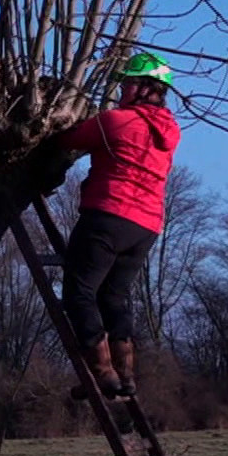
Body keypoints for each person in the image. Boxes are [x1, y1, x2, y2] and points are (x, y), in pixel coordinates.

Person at [54, 50, 182, 398]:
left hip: (109, 215)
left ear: (145, 87)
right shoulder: (170, 131)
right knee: (113, 297)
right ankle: (125, 374)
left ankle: (102, 372)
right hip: (147, 226)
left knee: (79, 293)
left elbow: (67, 140)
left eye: (127, 84)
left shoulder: (116, 121)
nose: (122, 90)